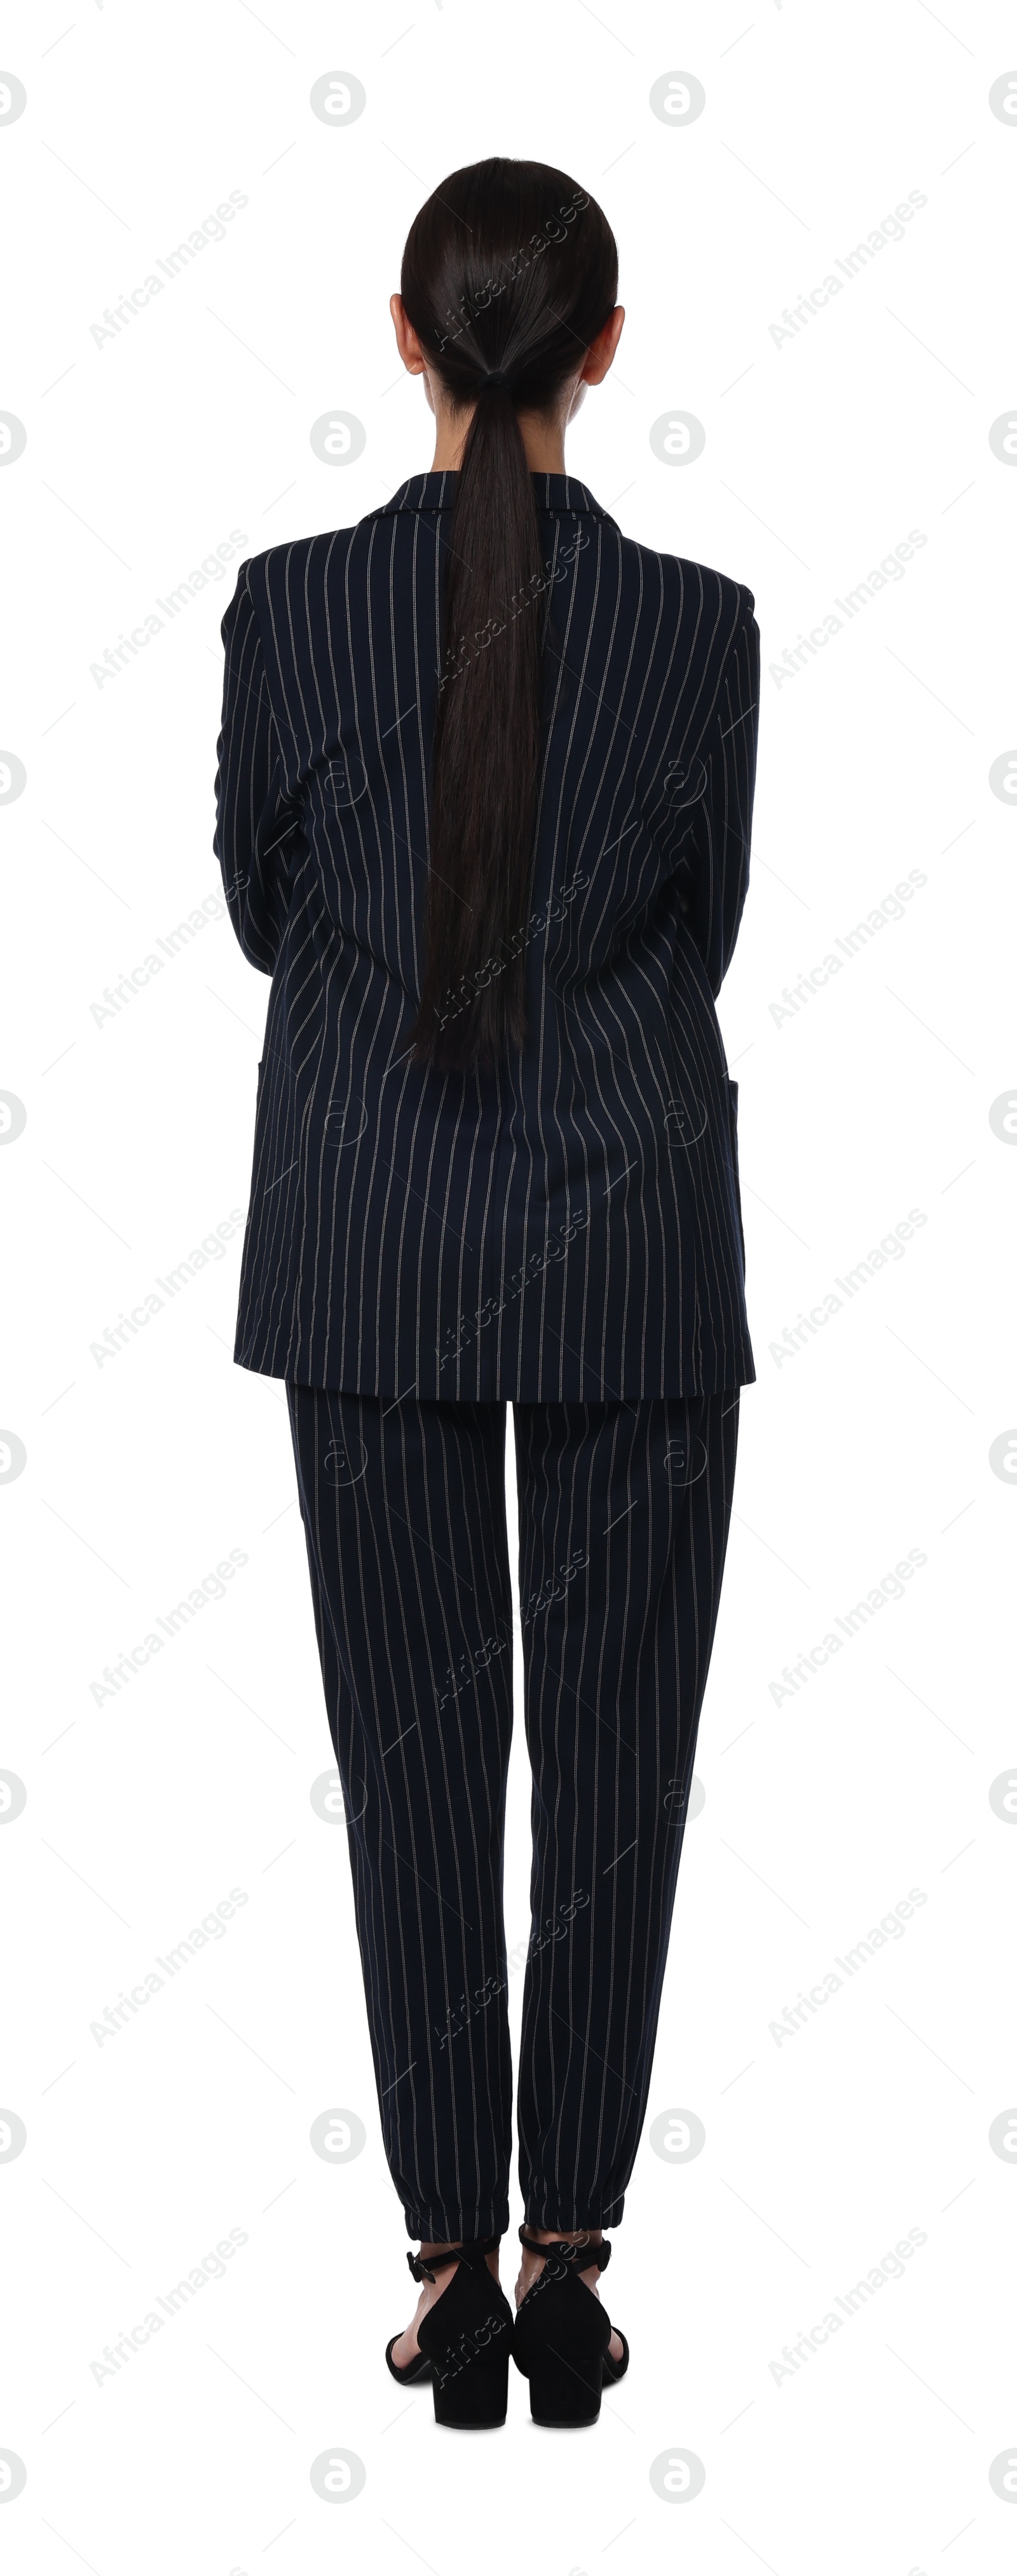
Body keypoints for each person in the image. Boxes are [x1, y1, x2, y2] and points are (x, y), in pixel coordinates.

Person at [213, 155, 760, 2430]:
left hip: (368, 1249)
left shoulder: (288, 607)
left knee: (420, 1756)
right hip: (628, 1238)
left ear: (406, 339)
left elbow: (262, 909)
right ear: (608, 352)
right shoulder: (701, 625)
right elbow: (701, 926)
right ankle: (570, 2263)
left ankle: (442, 2264)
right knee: (613, 1771)